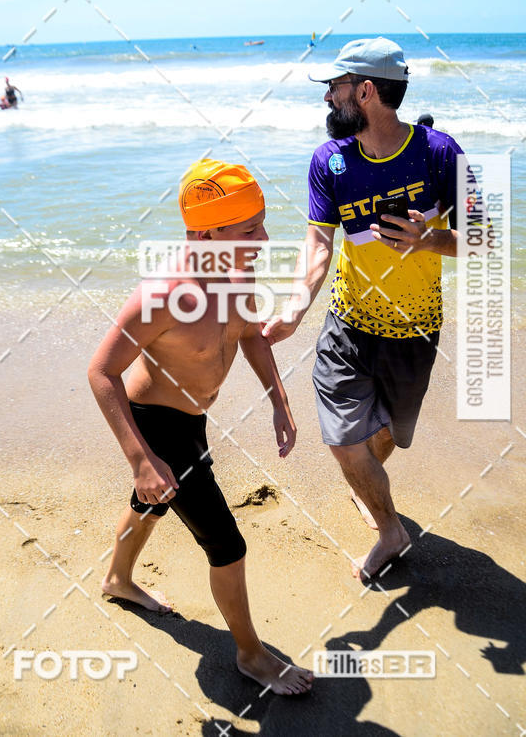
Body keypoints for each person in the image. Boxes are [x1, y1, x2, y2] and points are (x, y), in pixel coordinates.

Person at [88, 159, 313, 696]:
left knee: (153, 502)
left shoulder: (237, 274)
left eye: (262, 223)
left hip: (193, 421)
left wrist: (279, 401)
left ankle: (118, 580)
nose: (264, 238)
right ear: (208, 233)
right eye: (249, 229)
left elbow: (252, 334)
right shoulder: (164, 294)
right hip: (156, 424)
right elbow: (101, 373)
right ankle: (252, 656)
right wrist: (142, 458)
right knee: (226, 545)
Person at [263, 37, 463, 582]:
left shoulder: (440, 153)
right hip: (349, 323)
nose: (328, 97)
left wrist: (428, 240)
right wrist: (297, 305)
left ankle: (370, 489)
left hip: (416, 327)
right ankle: (389, 528)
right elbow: (320, 245)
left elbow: (484, 237)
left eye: (336, 86)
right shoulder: (329, 161)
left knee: (385, 439)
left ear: (367, 90)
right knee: (345, 439)